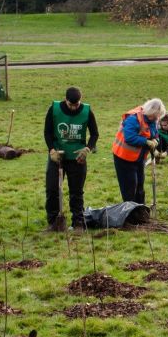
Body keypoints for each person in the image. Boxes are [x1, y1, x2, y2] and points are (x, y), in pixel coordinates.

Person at [44, 86, 98, 231]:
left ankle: (78, 223)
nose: (74, 108)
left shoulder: (87, 111)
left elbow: (94, 134)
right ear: (65, 100)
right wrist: (51, 150)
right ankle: (54, 222)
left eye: (76, 104)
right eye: (70, 104)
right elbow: (47, 132)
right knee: (52, 189)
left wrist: (88, 148)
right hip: (58, 156)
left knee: (76, 191)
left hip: (77, 157)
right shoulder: (54, 109)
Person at [111, 98, 165, 204]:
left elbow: (155, 134)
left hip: (139, 158)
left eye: (157, 117)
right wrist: (146, 142)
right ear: (150, 111)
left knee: (140, 186)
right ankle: (130, 214)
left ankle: (141, 211)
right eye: (154, 116)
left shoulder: (153, 119)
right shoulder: (133, 118)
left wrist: (155, 141)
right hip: (124, 158)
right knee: (130, 188)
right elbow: (130, 138)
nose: (155, 119)